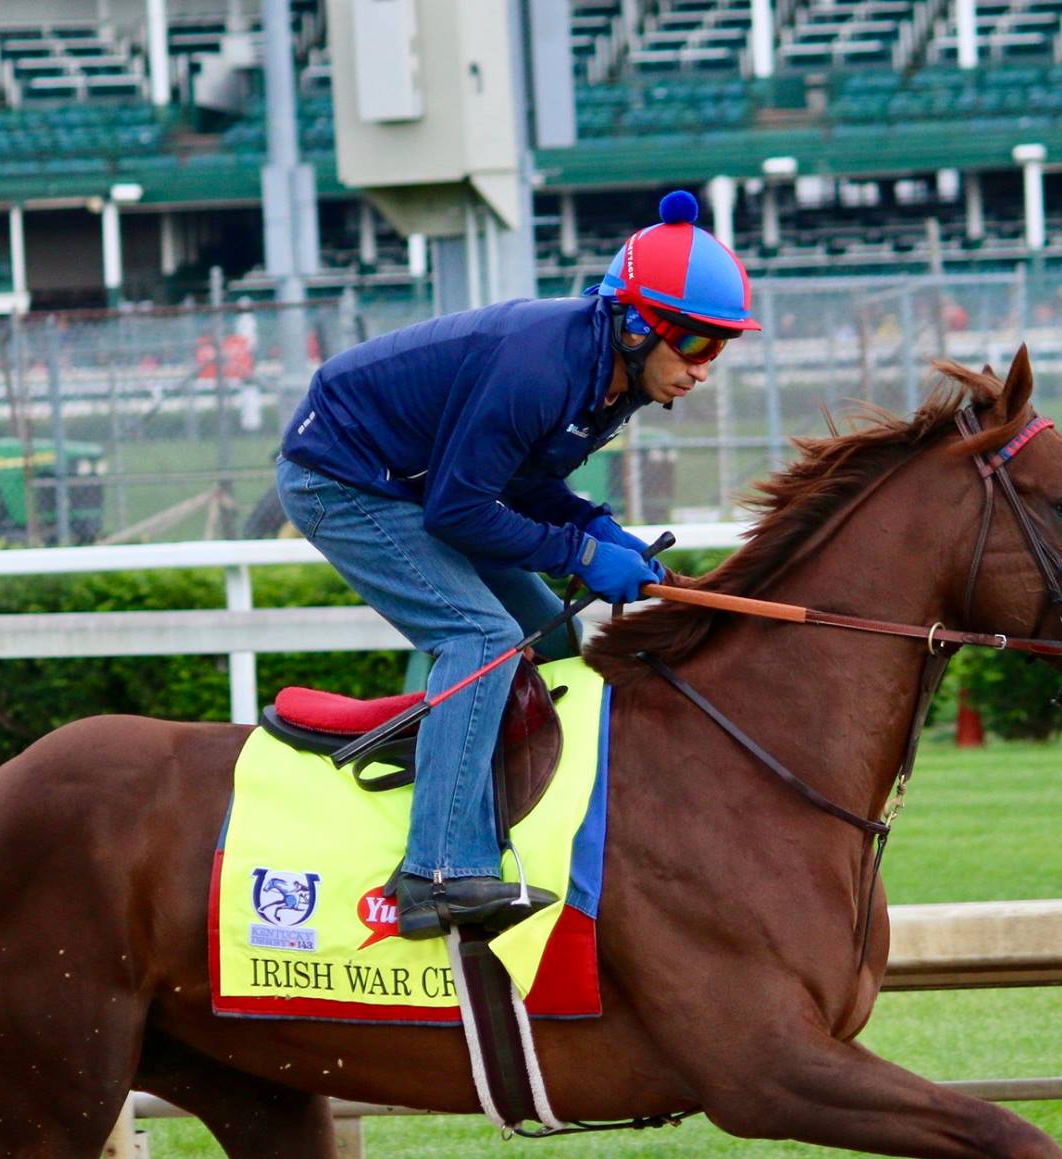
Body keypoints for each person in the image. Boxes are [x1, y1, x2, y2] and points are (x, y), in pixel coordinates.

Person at [276, 191, 758, 940]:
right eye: (696, 345)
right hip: (340, 477)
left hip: (422, 483)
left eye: (720, 349)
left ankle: (520, 826)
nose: (704, 371)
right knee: (482, 639)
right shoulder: (541, 368)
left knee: (554, 640)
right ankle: (435, 872)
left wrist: (598, 528)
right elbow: (458, 512)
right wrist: (582, 555)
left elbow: (524, 483)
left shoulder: (615, 382)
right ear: (636, 325)